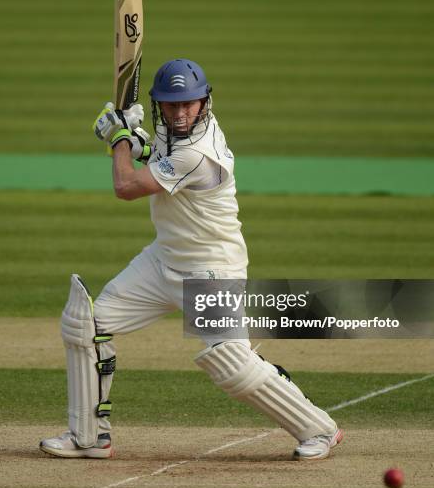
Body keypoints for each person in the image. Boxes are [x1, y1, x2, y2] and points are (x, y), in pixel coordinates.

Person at [39, 59, 343, 461]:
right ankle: (89, 437)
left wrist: (118, 138)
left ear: (205, 102)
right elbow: (157, 153)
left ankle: (319, 429)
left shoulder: (200, 152)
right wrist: (135, 136)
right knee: (85, 325)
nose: (180, 113)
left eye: (189, 104)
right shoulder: (173, 133)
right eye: (170, 105)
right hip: (162, 261)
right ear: (159, 106)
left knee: (232, 366)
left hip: (210, 269)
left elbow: (126, 186)